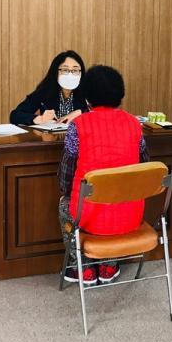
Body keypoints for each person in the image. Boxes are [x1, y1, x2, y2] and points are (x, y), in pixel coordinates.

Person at [57, 65, 150, 285]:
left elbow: (66, 174)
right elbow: (145, 165)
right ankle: (109, 266)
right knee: (113, 204)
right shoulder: (135, 124)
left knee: (64, 204)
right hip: (131, 215)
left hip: (89, 215)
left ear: (87, 97)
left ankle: (83, 268)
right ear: (120, 95)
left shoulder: (78, 126)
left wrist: (67, 192)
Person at [9, 51, 88, 126]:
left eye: (75, 70)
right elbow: (15, 115)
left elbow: (94, 110)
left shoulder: (87, 90)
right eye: (65, 70)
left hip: (81, 135)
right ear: (56, 72)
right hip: (52, 135)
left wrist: (81, 112)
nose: (70, 75)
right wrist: (40, 119)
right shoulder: (45, 91)